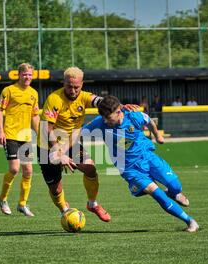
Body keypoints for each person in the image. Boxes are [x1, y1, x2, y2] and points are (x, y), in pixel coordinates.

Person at [82, 95, 199, 232]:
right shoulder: (100, 122)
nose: (105, 121)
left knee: (175, 186)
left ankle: (171, 192)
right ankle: (190, 221)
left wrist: (157, 136)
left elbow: (149, 121)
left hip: (147, 157)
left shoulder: (133, 116)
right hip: (129, 168)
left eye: (108, 118)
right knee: (157, 194)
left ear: (119, 112)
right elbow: (79, 133)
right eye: (103, 118)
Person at [37, 66, 113, 222]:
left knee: (90, 169)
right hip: (47, 146)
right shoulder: (54, 99)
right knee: (56, 189)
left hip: (70, 143)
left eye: (76, 87)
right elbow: (46, 129)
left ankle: (92, 204)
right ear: (64, 83)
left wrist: (118, 107)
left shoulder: (84, 97)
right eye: (69, 86)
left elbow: (100, 101)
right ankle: (65, 210)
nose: (72, 90)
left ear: (82, 85)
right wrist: (58, 153)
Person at [0, 63, 39, 217]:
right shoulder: (9, 91)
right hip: (11, 135)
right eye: (25, 74)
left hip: (26, 137)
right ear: (19, 75)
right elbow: (0, 111)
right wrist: (1, 131)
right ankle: (2, 199)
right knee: (14, 169)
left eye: (30, 75)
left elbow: (35, 115)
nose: (27, 77)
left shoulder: (34, 93)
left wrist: (40, 133)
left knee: (28, 170)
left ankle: (22, 204)